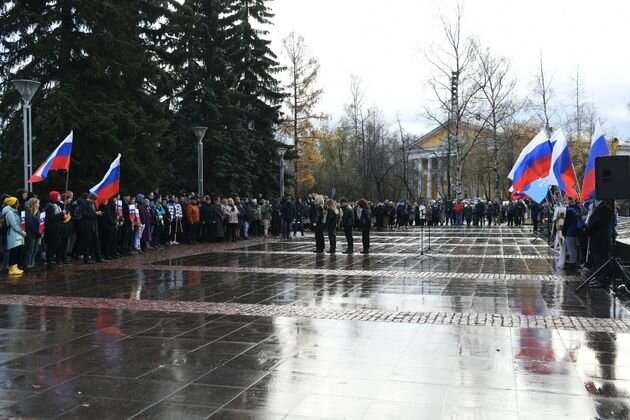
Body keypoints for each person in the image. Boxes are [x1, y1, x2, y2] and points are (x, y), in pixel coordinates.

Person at [586, 199, 614, 288]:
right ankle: (598, 277)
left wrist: (588, 229)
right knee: (597, 260)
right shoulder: (599, 207)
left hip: (601, 239)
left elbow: (597, 222)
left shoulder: (604, 208)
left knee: (601, 260)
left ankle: (602, 280)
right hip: (596, 238)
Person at [3, 197, 26, 275]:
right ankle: (12, 269)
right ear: (13, 204)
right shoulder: (9, 213)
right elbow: (14, 225)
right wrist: (22, 232)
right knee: (13, 252)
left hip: (17, 235)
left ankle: (15, 267)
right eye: (17, 203)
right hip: (13, 235)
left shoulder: (14, 211)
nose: (18, 205)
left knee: (16, 252)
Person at [44, 191, 65, 269]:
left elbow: (59, 217)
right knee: (51, 246)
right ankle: (49, 262)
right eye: (58, 196)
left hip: (58, 228)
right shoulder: (50, 206)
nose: (60, 198)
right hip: (52, 229)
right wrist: (61, 214)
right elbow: (52, 218)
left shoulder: (58, 205)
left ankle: (53, 261)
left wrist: (63, 216)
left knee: (56, 246)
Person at [80, 193, 103, 264]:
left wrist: (98, 213)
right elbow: (84, 215)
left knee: (96, 243)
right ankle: (86, 260)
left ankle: (98, 258)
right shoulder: (83, 204)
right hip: (87, 227)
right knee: (87, 243)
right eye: (93, 200)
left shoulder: (93, 204)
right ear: (90, 198)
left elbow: (94, 213)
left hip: (94, 226)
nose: (94, 201)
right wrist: (95, 214)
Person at [23, 197, 41, 272]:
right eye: (37, 203)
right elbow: (30, 224)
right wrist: (38, 232)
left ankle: (32, 264)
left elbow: (41, 223)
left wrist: (41, 231)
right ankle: (28, 265)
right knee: (30, 250)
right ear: (33, 204)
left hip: (37, 234)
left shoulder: (38, 212)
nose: (39, 205)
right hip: (31, 234)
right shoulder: (27, 212)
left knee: (35, 250)